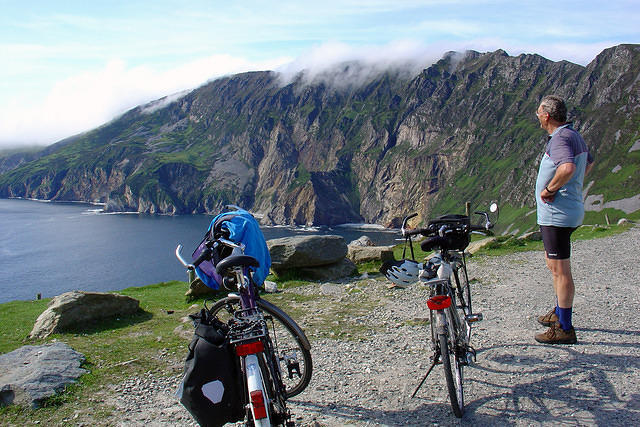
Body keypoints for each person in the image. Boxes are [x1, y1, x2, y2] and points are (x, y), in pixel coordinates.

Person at [534, 95, 594, 345]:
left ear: (547, 115)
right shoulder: (573, 135)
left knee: (560, 270)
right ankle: (559, 312)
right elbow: (588, 163)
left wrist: (550, 190)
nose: (537, 115)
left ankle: (565, 328)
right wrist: (574, 188)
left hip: (557, 215)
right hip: (566, 211)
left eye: (538, 111)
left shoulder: (560, 139)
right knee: (553, 264)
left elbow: (567, 168)